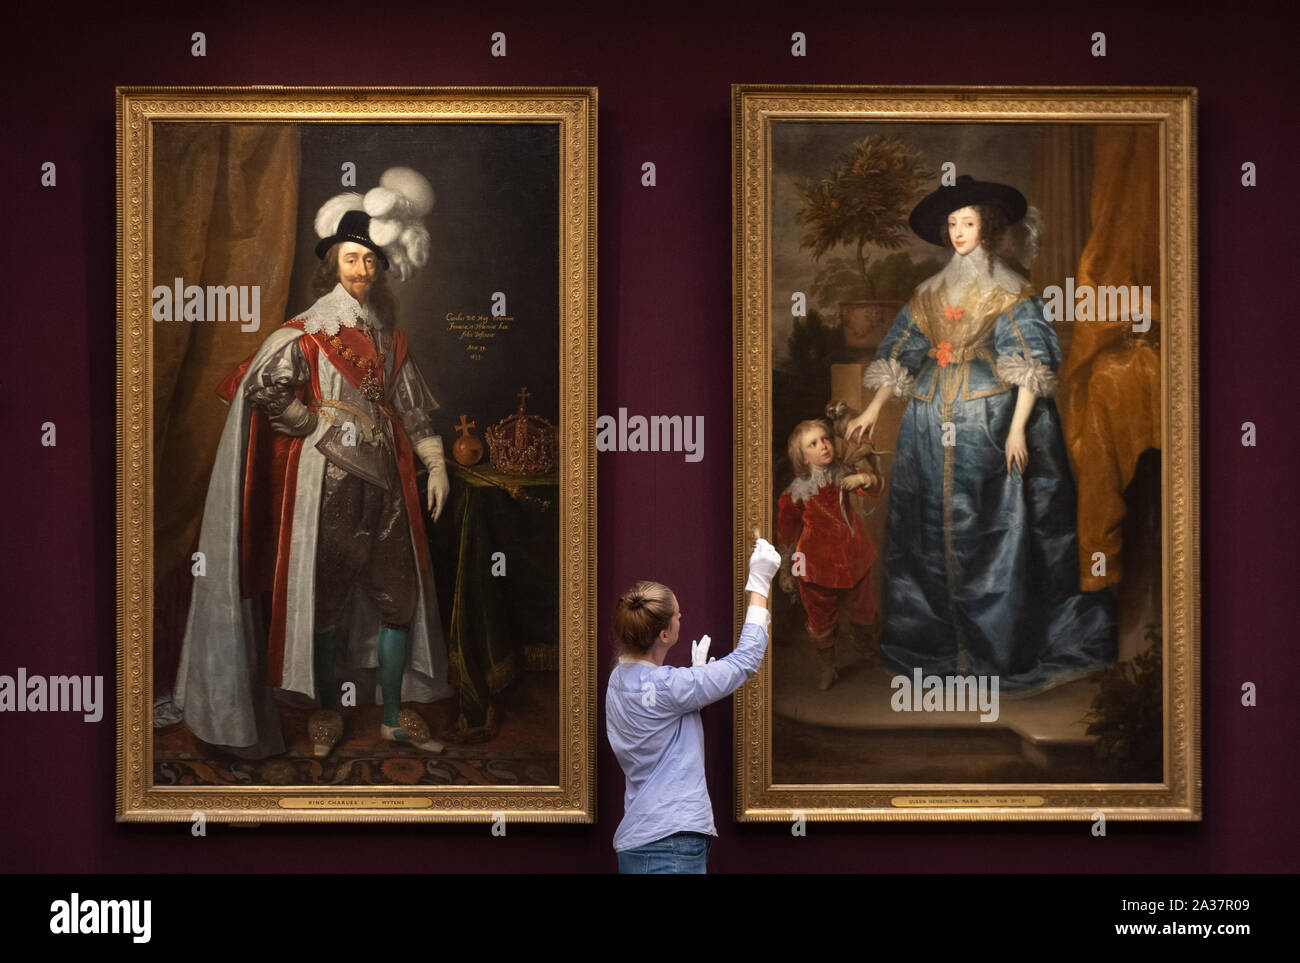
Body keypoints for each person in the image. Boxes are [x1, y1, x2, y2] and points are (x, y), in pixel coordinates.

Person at [175, 190, 453, 760]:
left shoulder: (391, 340)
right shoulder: (307, 333)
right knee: (324, 601)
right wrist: (309, 423)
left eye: (371, 260)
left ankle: (395, 718)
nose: (363, 269)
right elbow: (264, 388)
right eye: (352, 259)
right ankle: (327, 709)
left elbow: (414, 409)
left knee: (397, 598)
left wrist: (436, 464)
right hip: (328, 484)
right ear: (333, 266)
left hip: (390, 487)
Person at [846, 175, 1116, 693]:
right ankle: (936, 646)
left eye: (967, 222)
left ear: (986, 227)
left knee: (991, 530)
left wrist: (1018, 429)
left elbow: (1032, 363)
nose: (958, 232)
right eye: (951, 223)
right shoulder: (927, 293)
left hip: (988, 422)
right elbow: (900, 351)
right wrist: (874, 409)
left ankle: (995, 648)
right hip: (926, 423)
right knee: (925, 534)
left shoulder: (1011, 289)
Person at [606, 538, 782, 874]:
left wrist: (695, 685)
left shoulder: (618, 681)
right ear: (664, 635)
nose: (681, 619)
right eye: (677, 616)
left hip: (641, 843)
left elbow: (659, 714)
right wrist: (759, 584)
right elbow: (745, 661)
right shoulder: (670, 687)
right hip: (669, 844)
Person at [776, 419, 883, 690]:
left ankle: (872, 655)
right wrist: (787, 568)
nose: (824, 446)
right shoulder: (794, 492)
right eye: (813, 444)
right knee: (820, 618)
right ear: (802, 456)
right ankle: (828, 666)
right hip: (815, 565)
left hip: (853, 556)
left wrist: (865, 478)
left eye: (825, 439)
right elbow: (786, 533)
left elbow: (875, 489)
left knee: (865, 611)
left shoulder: (845, 470)